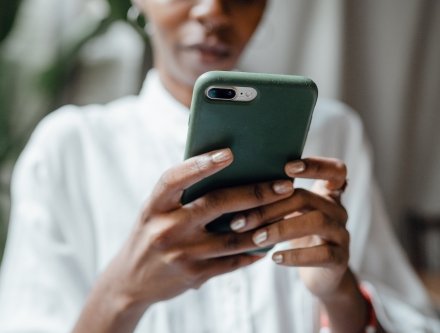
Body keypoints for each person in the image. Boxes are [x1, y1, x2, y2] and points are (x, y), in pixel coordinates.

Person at [0, 0, 438, 332]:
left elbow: (410, 319)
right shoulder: (69, 149)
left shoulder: (332, 135)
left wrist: (339, 292)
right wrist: (123, 293)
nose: (215, 10)